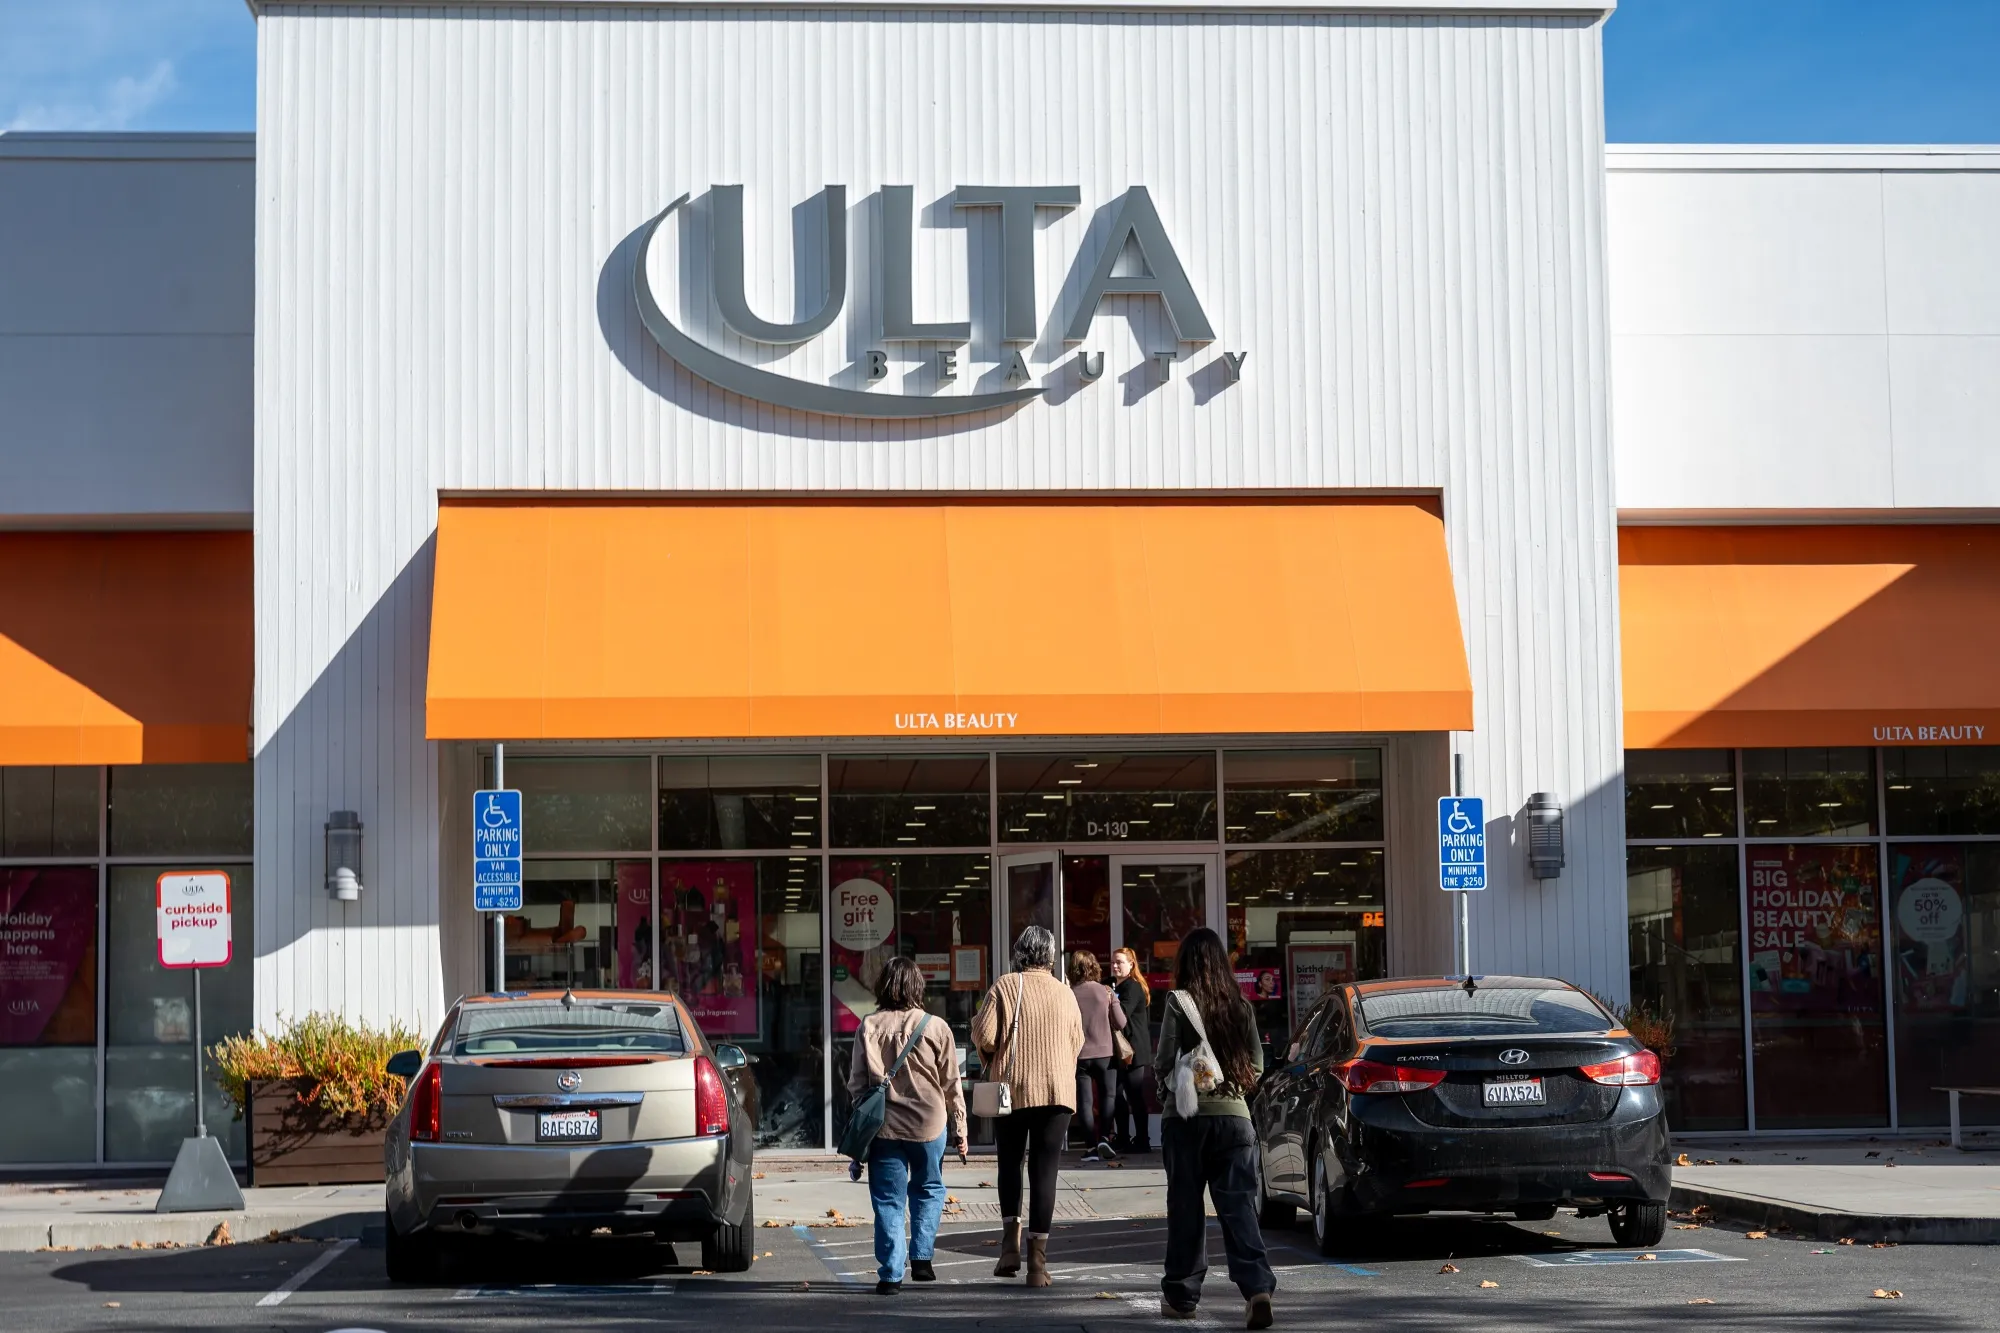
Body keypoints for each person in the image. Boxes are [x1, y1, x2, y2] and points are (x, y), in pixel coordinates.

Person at [1153, 927, 1275, 1328]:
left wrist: (1173, 1088)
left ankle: (1182, 1296)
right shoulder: (1240, 1006)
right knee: (1240, 1208)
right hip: (1235, 1121)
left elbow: (1164, 1062)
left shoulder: (1177, 1003)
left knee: (1186, 1208)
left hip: (1186, 1120)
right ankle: (1257, 1289)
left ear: (1184, 964)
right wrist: (1232, 1088)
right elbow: (1257, 1064)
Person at [845, 955, 968, 1295]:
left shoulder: (868, 1026)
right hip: (930, 1124)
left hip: (883, 1127)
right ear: (918, 986)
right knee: (929, 1188)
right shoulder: (936, 1026)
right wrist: (961, 1128)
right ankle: (923, 1257)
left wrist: (860, 1125)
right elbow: (951, 1083)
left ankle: (890, 1275)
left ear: (882, 985)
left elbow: (856, 1083)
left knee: (888, 1200)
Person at [971, 925, 1084, 1289]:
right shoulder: (1066, 993)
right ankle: (1038, 1264)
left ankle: (1008, 1248)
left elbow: (986, 1036)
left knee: (1010, 1164)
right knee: (1045, 1172)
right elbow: (1077, 1040)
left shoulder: (1006, 985)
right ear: (1050, 957)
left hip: (1013, 1089)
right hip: (1057, 1092)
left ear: (1019, 952)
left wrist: (982, 1038)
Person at [1068, 950, 1127, 1162]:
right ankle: (1104, 1137)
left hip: (1080, 1055)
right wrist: (1113, 1000)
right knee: (1108, 1096)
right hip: (1105, 1054)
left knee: (1084, 1101)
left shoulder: (1069, 993)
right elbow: (1121, 1023)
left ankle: (1091, 1147)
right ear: (1094, 967)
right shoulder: (1105, 991)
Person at [1109, 946, 1155, 1153]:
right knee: (1117, 1095)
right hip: (1120, 1050)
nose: (1115, 966)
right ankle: (1124, 1138)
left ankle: (1143, 1140)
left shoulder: (1132, 987)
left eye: (1120, 962)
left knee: (1134, 1096)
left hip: (1132, 1050)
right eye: (1113, 962)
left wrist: (1109, 998)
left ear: (1131, 965)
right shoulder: (1112, 985)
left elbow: (1122, 1015)